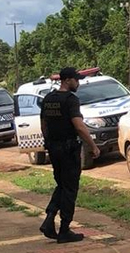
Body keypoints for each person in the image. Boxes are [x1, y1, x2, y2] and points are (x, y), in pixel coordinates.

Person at [38, 67, 100, 243]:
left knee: (61, 185)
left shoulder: (48, 99)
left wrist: (49, 142)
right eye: (76, 79)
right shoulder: (71, 100)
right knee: (70, 188)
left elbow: (43, 124)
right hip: (69, 149)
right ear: (67, 80)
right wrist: (93, 146)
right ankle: (64, 229)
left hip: (54, 149)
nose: (78, 83)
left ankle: (50, 219)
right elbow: (79, 126)